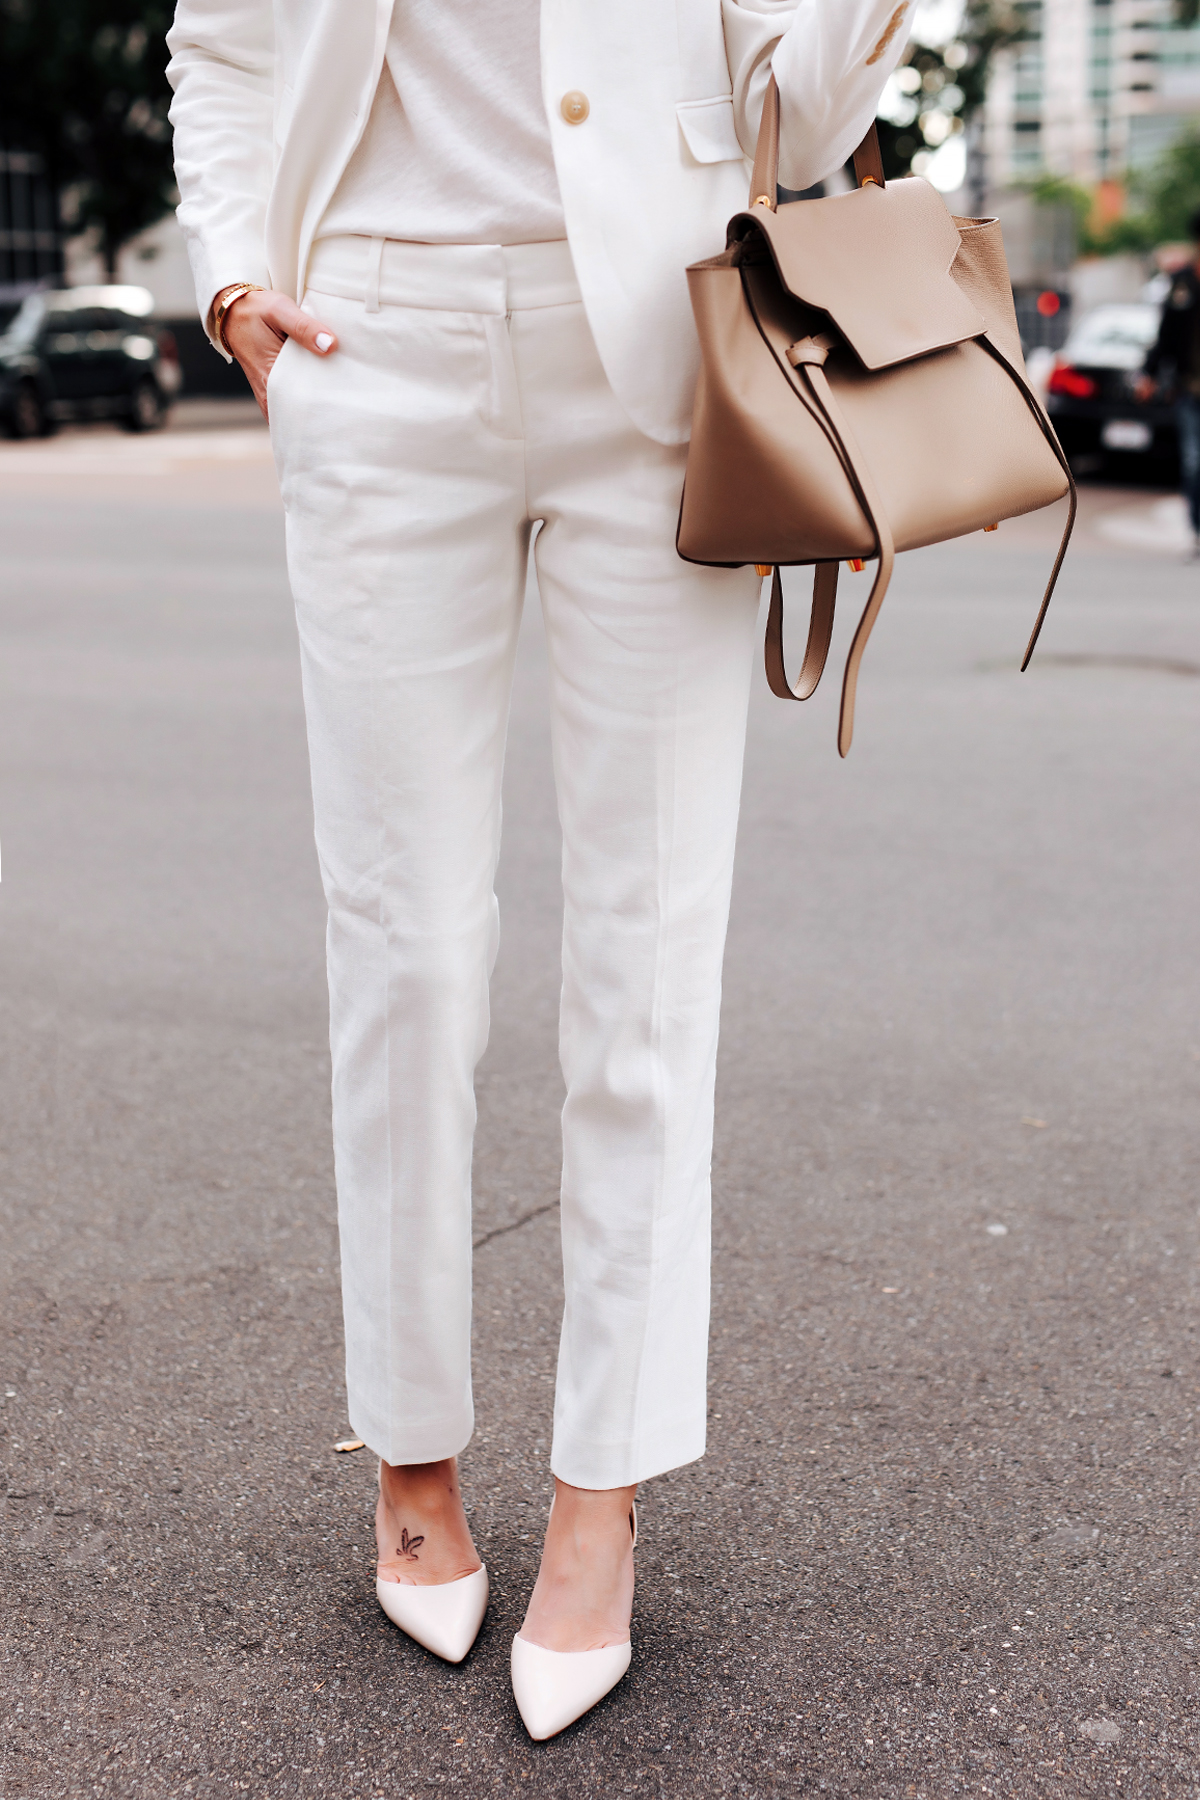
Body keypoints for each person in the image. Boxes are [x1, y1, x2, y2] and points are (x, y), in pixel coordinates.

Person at [166, 0, 910, 1740]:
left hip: (655, 344)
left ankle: (604, 1494)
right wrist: (229, 277)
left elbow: (797, 118)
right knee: (405, 952)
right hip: (369, 340)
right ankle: (410, 1455)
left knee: (647, 961)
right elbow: (221, 35)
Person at [1139, 207, 1200, 556]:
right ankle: (1196, 530)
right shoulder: (1182, 282)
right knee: (1194, 463)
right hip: (1190, 389)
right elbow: (1164, 336)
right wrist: (1149, 374)